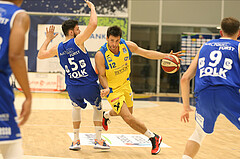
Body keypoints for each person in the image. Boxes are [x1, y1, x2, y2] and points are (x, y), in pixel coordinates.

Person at [95, 25, 182, 155]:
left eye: (117, 41)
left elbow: (146, 53)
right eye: (112, 40)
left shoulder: (127, 46)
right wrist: (107, 88)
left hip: (125, 84)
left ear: (120, 39)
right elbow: (101, 75)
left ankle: (106, 115)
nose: (114, 44)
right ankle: (153, 137)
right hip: (113, 90)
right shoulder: (101, 55)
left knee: (128, 113)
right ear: (107, 38)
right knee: (128, 117)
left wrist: (165, 56)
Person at [37, 0, 109, 150]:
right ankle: (98, 140)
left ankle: (76, 140)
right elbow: (93, 24)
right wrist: (93, 8)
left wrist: (48, 39)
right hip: (88, 85)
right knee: (97, 108)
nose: (80, 31)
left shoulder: (58, 48)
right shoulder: (77, 41)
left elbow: (41, 55)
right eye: (77, 29)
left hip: (72, 87)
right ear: (71, 32)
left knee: (76, 108)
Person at [180, 17, 240, 159]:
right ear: (238, 33)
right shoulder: (238, 46)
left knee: (199, 133)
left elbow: (185, 79)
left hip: (204, 95)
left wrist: (186, 107)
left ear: (221, 32)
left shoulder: (205, 46)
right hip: (228, 93)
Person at [0, 0, 32, 158]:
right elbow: (15, 55)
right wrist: (28, 95)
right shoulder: (18, 15)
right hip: (1, 90)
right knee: (12, 149)